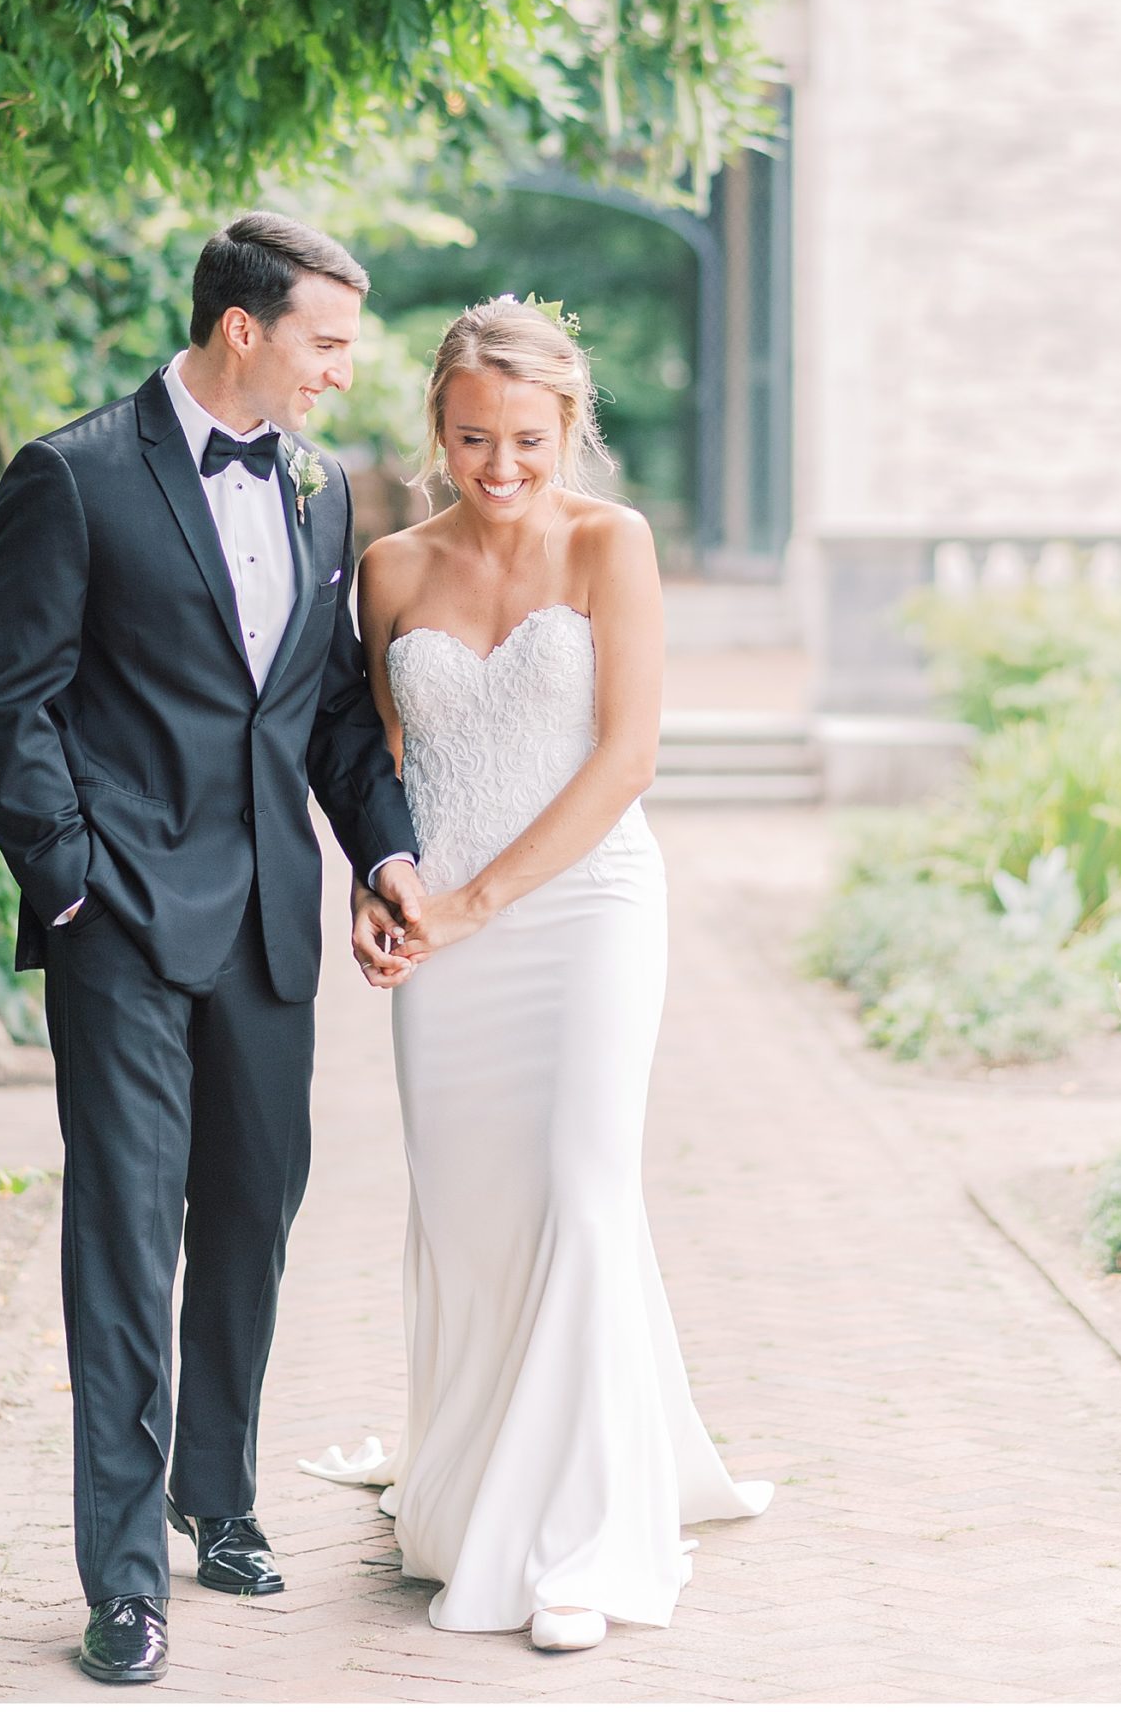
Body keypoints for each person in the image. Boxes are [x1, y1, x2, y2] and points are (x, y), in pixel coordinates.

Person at [0, 212, 425, 1687]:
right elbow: (10, 703)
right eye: (325, 344)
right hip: (122, 924)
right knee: (123, 1233)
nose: (341, 372)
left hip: (268, 925)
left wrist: (388, 851)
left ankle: (215, 1495)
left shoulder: (318, 491)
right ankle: (121, 1578)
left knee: (253, 1208)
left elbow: (328, 711)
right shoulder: (74, 476)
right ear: (245, 328)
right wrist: (71, 888)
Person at [311, 295, 771, 1653]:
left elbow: (628, 759)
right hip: (445, 940)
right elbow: (382, 769)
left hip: (587, 910)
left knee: (579, 1187)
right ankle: (472, 1495)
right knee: (472, 1213)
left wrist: (475, 903)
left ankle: (579, 1543)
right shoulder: (389, 568)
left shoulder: (610, 543)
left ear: (569, 425)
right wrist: (384, 889)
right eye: (472, 439)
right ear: (437, 429)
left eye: (526, 439)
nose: (499, 466)